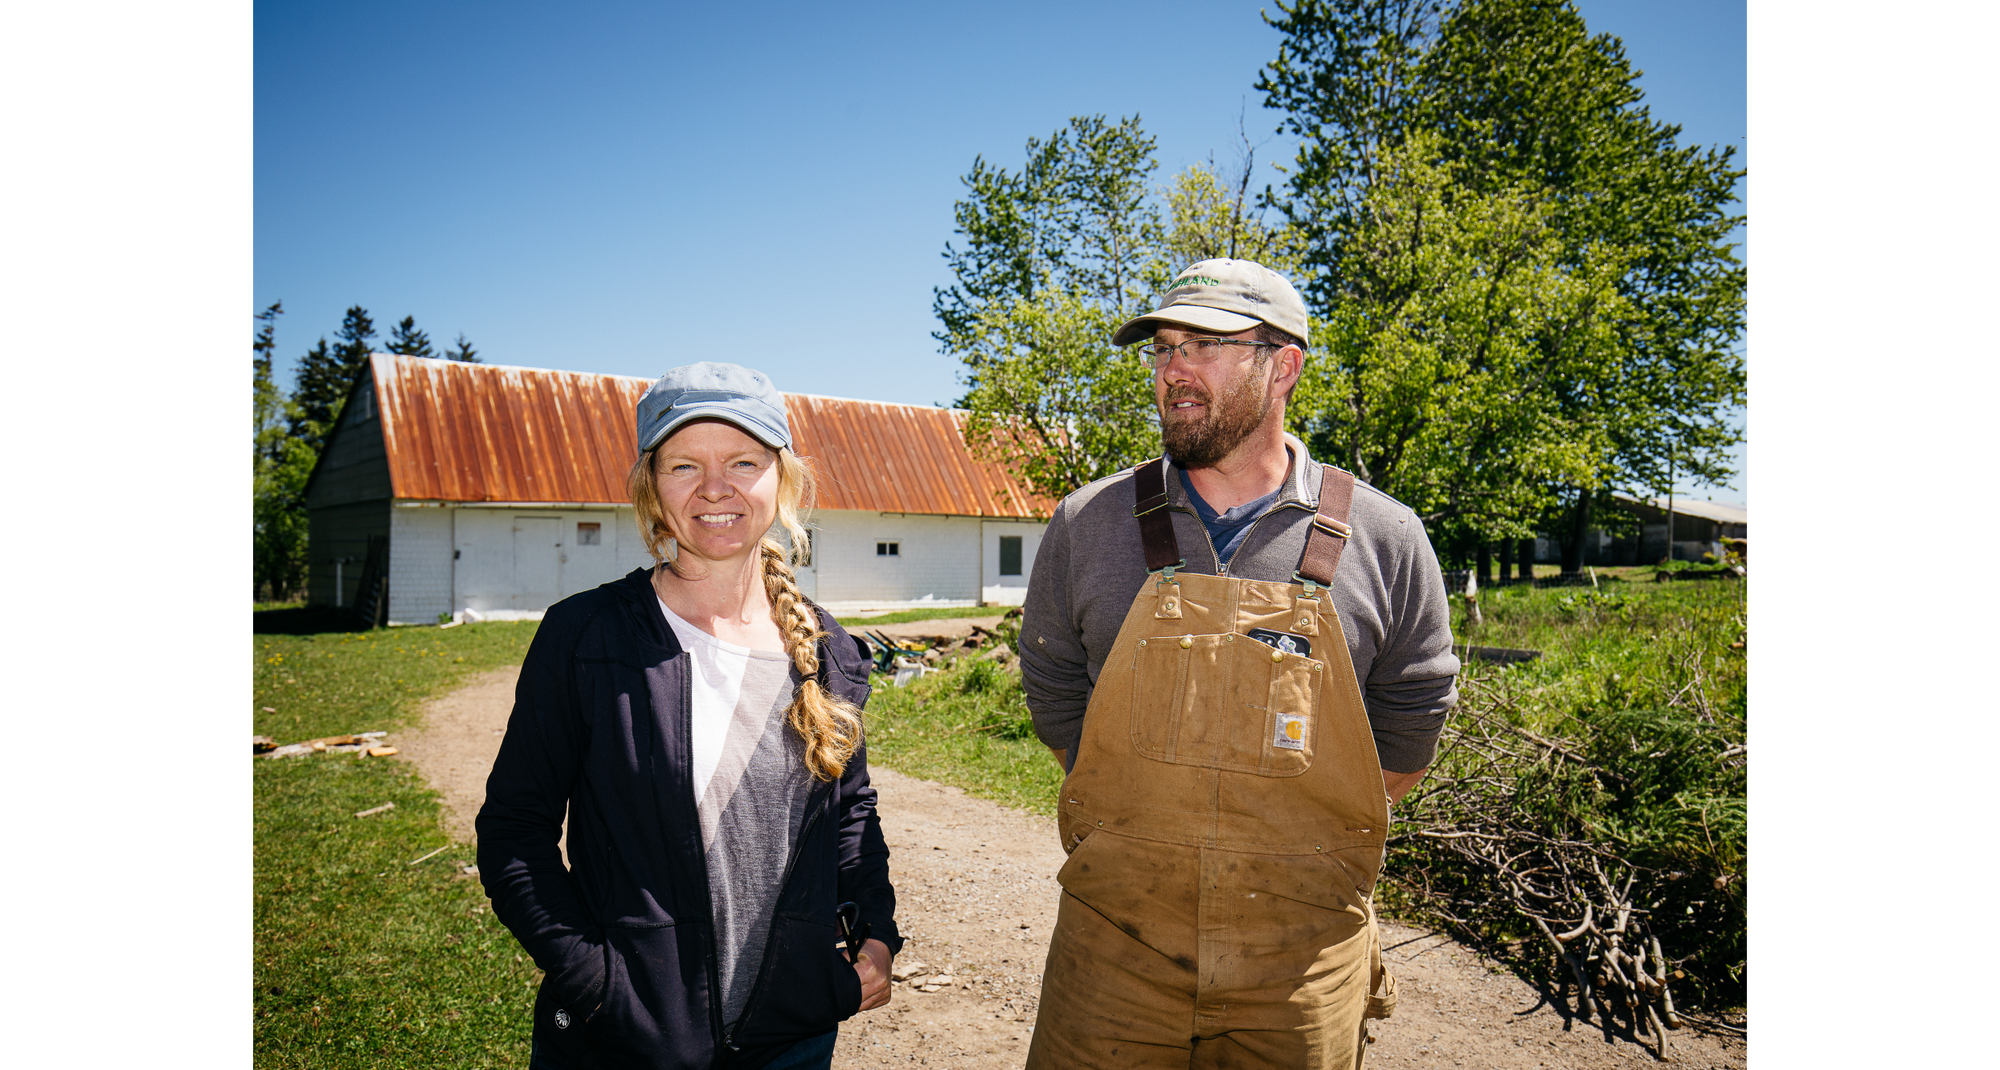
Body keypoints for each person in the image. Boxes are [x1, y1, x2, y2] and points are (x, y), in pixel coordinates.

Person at [1019, 259, 1460, 1069]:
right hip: (1114, 945)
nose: (1174, 369)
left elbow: (1414, 710)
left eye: (1205, 345)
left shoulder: (1385, 537)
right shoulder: (1088, 523)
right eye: (1164, 348)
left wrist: (1296, 846)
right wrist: (1141, 814)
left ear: (1283, 365)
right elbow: (1053, 684)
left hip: (1302, 962)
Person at [478, 362, 899, 1070]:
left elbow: (850, 814)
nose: (715, 488)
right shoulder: (586, 637)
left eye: (743, 462)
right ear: (651, 486)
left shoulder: (827, 649)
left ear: (782, 479)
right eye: (684, 465)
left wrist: (877, 933)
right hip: (621, 1043)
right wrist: (595, 982)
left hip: (791, 1040)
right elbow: (514, 833)